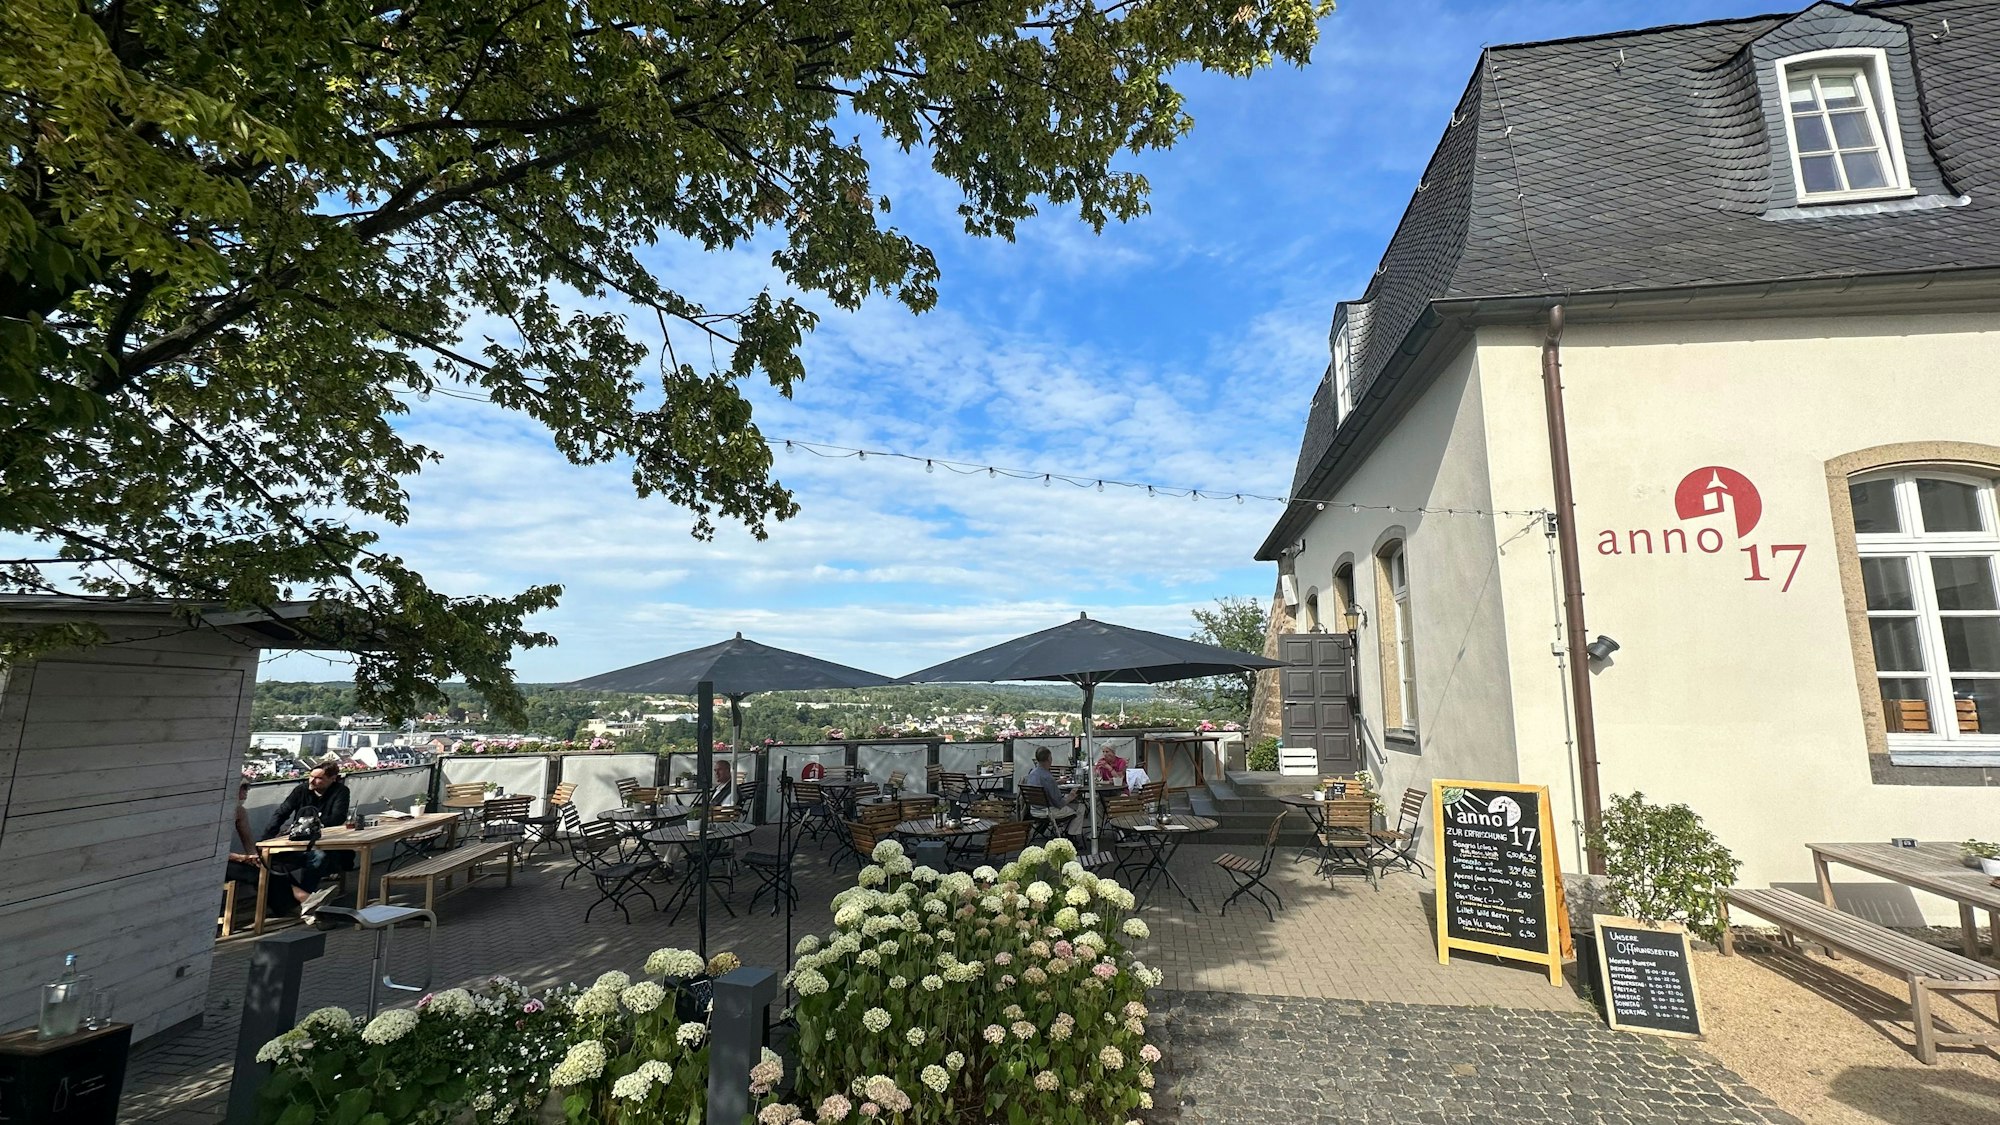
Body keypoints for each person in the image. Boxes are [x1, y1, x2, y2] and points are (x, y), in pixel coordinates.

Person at [262, 762, 354, 920]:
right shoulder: (301, 790)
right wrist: (266, 838)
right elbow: (282, 812)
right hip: (298, 839)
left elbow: (338, 817)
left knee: (319, 856)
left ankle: (302, 900)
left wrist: (311, 825)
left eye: (319, 778)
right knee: (272, 859)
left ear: (333, 779)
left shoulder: (340, 791)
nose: (312, 781)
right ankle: (305, 901)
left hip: (325, 839)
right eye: (311, 776)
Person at [1024, 747, 1081, 840]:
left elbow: (1043, 785)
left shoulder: (1032, 773)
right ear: (1049, 758)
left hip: (1034, 809)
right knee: (1080, 808)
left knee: (1071, 806)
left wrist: (1057, 782)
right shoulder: (1048, 777)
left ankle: (1063, 830)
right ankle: (1070, 836)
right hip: (1048, 812)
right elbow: (1059, 803)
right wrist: (1070, 797)